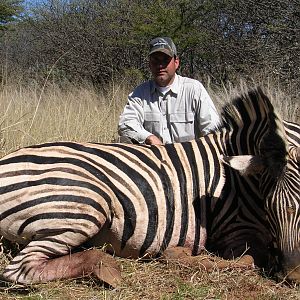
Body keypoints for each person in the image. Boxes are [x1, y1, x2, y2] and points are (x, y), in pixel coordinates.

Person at [118, 37, 220, 145]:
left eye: (165, 60)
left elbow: (213, 129)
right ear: (149, 65)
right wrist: (148, 137)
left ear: (176, 62)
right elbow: (126, 123)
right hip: (153, 158)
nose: (160, 65)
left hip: (188, 159)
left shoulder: (194, 89)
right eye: (155, 60)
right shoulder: (140, 93)